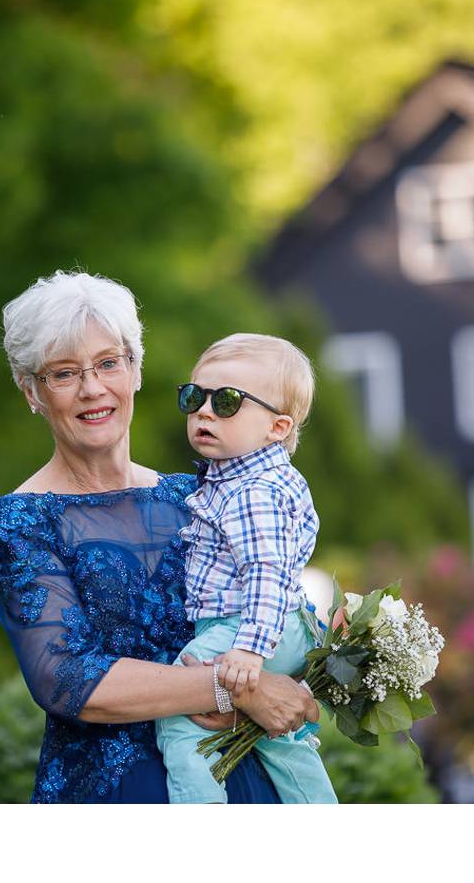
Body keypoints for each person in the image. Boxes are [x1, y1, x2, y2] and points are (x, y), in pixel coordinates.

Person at [0, 270, 321, 803]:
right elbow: (68, 679)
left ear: (136, 371)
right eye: (64, 373)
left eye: (108, 363)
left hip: (236, 775)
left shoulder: (196, 494)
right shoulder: (22, 521)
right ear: (31, 391)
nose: (93, 388)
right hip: (113, 788)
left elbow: (264, 598)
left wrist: (336, 646)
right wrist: (239, 686)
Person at [155, 333, 339, 803]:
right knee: (285, 742)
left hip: (246, 628)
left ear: (278, 427)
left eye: (228, 400)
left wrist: (251, 651)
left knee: (179, 711)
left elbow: (266, 572)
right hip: (278, 625)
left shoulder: (252, 491)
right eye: (194, 396)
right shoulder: (252, 478)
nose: (205, 411)